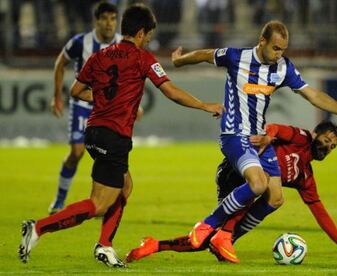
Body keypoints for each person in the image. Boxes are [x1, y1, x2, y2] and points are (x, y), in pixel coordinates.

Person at [18, 3, 224, 267]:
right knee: (99, 204)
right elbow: (171, 91)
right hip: (113, 137)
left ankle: (105, 245)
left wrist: (103, 100)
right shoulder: (143, 58)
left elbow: (76, 90)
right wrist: (205, 105)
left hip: (94, 132)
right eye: (148, 35)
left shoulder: (100, 57)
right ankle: (38, 228)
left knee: (125, 186)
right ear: (140, 33)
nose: (148, 40)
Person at [170, 20, 337, 262]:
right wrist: (180, 61)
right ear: (262, 41)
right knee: (257, 184)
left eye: (283, 50)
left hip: (258, 139)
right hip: (235, 134)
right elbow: (205, 55)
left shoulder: (283, 68)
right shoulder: (236, 57)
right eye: (276, 48)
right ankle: (207, 224)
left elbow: (313, 94)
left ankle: (225, 237)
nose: (279, 54)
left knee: (276, 197)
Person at [125, 121, 337, 263]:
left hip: (246, 189)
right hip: (234, 172)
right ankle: (226, 234)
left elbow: (320, 213)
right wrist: (267, 135)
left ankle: (155, 245)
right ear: (315, 133)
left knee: (203, 243)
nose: (328, 146)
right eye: (327, 139)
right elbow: (277, 128)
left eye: (333, 146)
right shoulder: (301, 138)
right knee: (266, 181)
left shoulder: (305, 176)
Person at [49, 1, 122, 215]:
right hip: (82, 103)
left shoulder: (122, 45)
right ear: (96, 21)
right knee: (77, 152)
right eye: (105, 18)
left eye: (113, 18)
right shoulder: (81, 43)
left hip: (108, 108)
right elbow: (60, 63)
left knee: (108, 156)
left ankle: (103, 204)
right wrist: (56, 96)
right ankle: (59, 199)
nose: (109, 23)